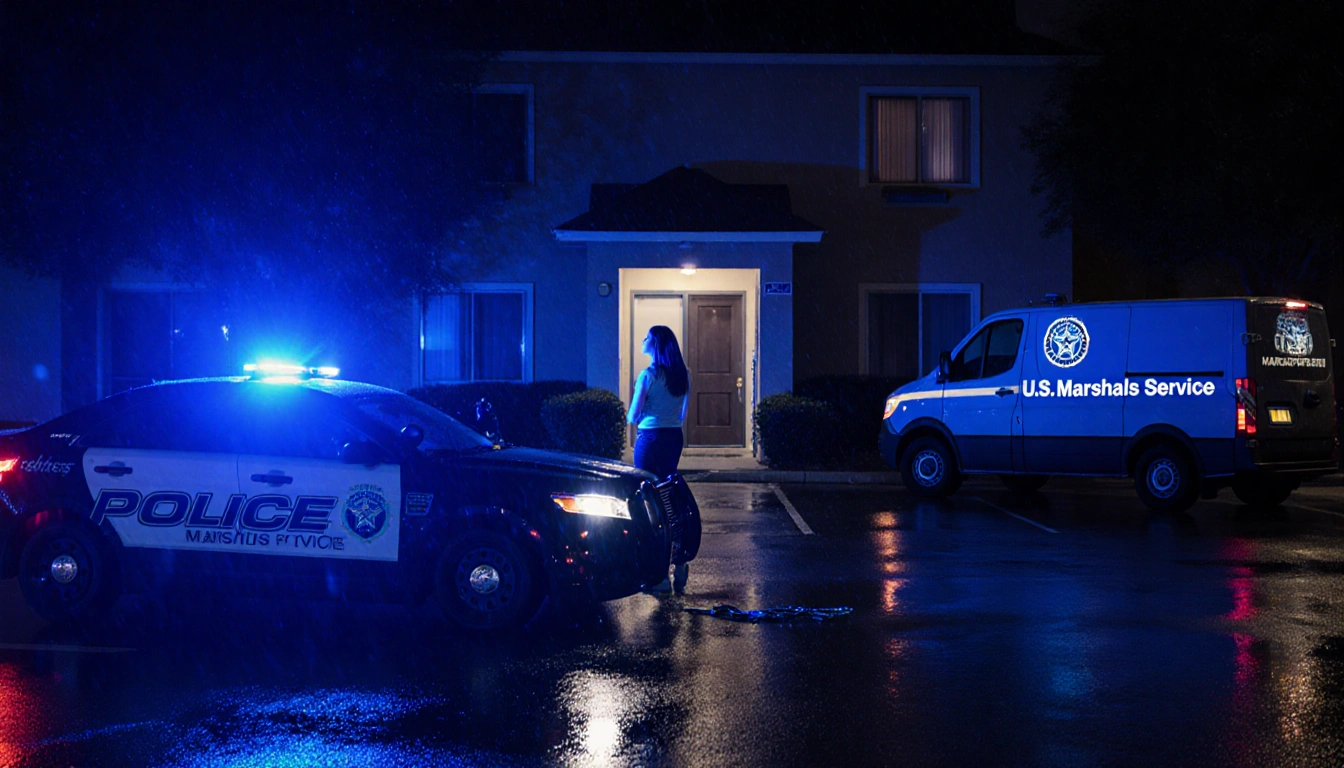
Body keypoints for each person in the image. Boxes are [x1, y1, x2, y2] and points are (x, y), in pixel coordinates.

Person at [627, 325, 691, 592]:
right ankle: (679, 558)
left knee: (651, 503)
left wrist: (643, 417)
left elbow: (632, 415)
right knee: (668, 497)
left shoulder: (648, 375)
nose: (642, 340)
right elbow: (682, 415)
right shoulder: (682, 375)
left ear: (655, 345)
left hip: (650, 440)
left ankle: (660, 575)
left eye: (646, 338)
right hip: (672, 438)